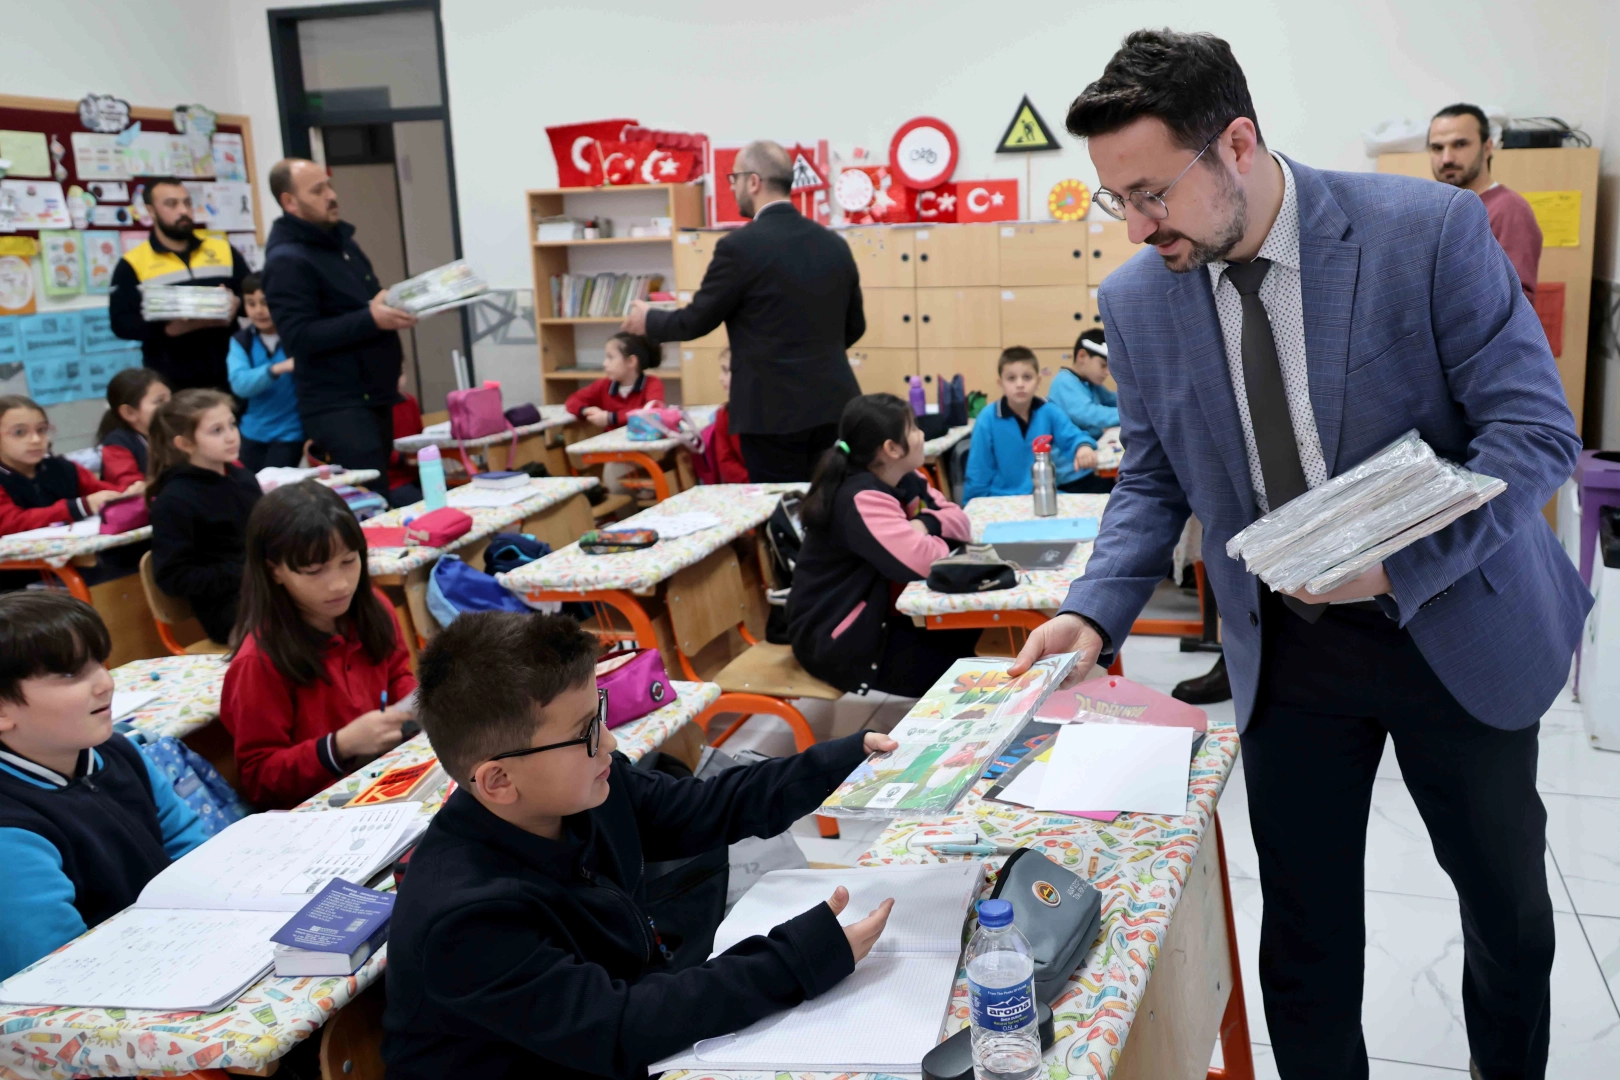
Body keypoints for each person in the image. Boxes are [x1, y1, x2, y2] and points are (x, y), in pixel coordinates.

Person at [1010, 31, 1585, 1080]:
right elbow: (1152, 477)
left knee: (1506, 919)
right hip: (1291, 651)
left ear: (1236, 144)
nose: (1138, 228)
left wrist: (1399, 567)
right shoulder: (1141, 300)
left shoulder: (1428, 232)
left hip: (1451, 621)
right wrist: (1095, 612)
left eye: (1152, 193)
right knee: (1308, 940)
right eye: (1116, 200)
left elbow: (1533, 436)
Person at [380, 610, 897, 1079]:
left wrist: (840, 762)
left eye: (599, 713)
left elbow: (707, 807)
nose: (609, 742)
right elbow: (621, 1024)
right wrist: (795, 960)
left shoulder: (587, 793)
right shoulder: (465, 919)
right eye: (586, 733)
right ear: (497, 781)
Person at [623, 140, 864, 482]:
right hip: (835, 405)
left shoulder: (739, 247)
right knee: (832, 507)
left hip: (770, 415)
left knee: (782, 514)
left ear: (753, 182)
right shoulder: (834, 244)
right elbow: (856, 326)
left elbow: (696, 320)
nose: (733, 188)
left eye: (733, 179)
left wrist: (649, 319)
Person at [0, 592, 208, 980]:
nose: (105, 683)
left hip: (176, 953)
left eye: (99, 662)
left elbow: (191, 848)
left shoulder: (116, 750)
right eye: (70, 674)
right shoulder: (10, 829)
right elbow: (58, 974)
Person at [220, 482, 414, 809]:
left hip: (385, 779)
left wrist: (413, 707)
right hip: (319, 814)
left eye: (349, 561)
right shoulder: (259, 662)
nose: (339, 584)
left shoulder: (375, 607)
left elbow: (397, 675)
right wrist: (339, 746)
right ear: (275, 572)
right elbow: (259, 778)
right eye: (314, 571)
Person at [787, 393, 978, 696]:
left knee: (977, 629)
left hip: (882, 618)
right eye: (913, 428)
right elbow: (926, 561)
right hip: (840, 639)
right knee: (969, 672)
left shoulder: (907, 476)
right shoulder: (861, 497)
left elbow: (960, 522)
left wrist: (924, 525)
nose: (922, 434)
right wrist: (934, 536)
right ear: (891, 449)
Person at [260, 159, 416, 498]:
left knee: (381, 494)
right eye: (318, 190)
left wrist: (395, 305)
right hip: (337, 404)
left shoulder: (341, 242)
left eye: (329, 185)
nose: (331, 196)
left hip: (372, 394)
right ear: (290, 202)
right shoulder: (287, 260)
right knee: (367, 502)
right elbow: (299, 337)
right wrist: (372, 319)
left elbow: (362, 304)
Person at [108, 178, 247, 392]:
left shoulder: (223, 250)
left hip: (232, 373)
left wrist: (236, 304)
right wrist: (168, 329)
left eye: (187, 203)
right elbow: (121, 323)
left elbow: (254, 297)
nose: (183, 211)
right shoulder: (132, 263)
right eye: (171, 204)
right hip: (173, 380)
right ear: (151, 211)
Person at [148, 390, 264, 646]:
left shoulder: (243, 479)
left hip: (268, 592)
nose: (231, 436)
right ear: (185, 444)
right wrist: (246, 571)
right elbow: (173, 577)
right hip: (230, 611)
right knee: (306, 622)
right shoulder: (175, 500)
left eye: (232, 425)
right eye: (216, 430)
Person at [1429, 103, 1542, 302]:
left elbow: (1515, 302)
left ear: (1487, 147)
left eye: (1460, 144)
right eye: (1438, 148)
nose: (1446, 158)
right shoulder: (1439, 212)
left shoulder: (1509, 209)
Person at [960, 347, 1096, 503]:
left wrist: (1082, 447)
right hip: (1001, 500)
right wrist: (972, 505)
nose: (1020, 384)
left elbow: (1073, 436)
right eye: (1011, 378)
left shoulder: (1048, 410)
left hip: (1044, 495)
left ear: (1038, 381)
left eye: (1027, 377)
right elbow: (978, 471)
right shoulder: (987, 418)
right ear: (1000, 383)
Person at [0, 395, 141, 537]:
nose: (36, 440)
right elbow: (11, 523)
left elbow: (103, 492)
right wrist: (79, 507)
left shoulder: (63, 468)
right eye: (19, 432)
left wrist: (131, 493)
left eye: (41, 430)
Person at [227, 273, 304, 472]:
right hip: (251, 432)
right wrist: (277, 368)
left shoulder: (297, 337)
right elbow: (240, 384)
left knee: (273, 492)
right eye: (251, 304)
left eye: (265, 303)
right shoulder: (241, 341)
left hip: (290, 434)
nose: (259, 311)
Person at [563, 332, 666, 429]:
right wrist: (585, 410)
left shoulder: (652, 383)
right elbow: (573, 400)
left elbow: (652, 412)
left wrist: (611, 418)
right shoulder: (604, 384)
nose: (604, 363)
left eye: (610, 357)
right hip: (611, 447)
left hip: (643, 444)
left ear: (631, 361)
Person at [96, 368, 170, 489]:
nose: (171, 405)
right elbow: (132, 487)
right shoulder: (117, 444)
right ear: (129, 412)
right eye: (159, 401)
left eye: (170, 398)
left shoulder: (174, 434)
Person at [705, 349, 750, 483]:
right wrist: (753, 481)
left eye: (725, 371)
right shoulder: (724, 415)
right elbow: (726, 461)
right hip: (744, 489)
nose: (720, 378)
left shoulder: (771, 413)